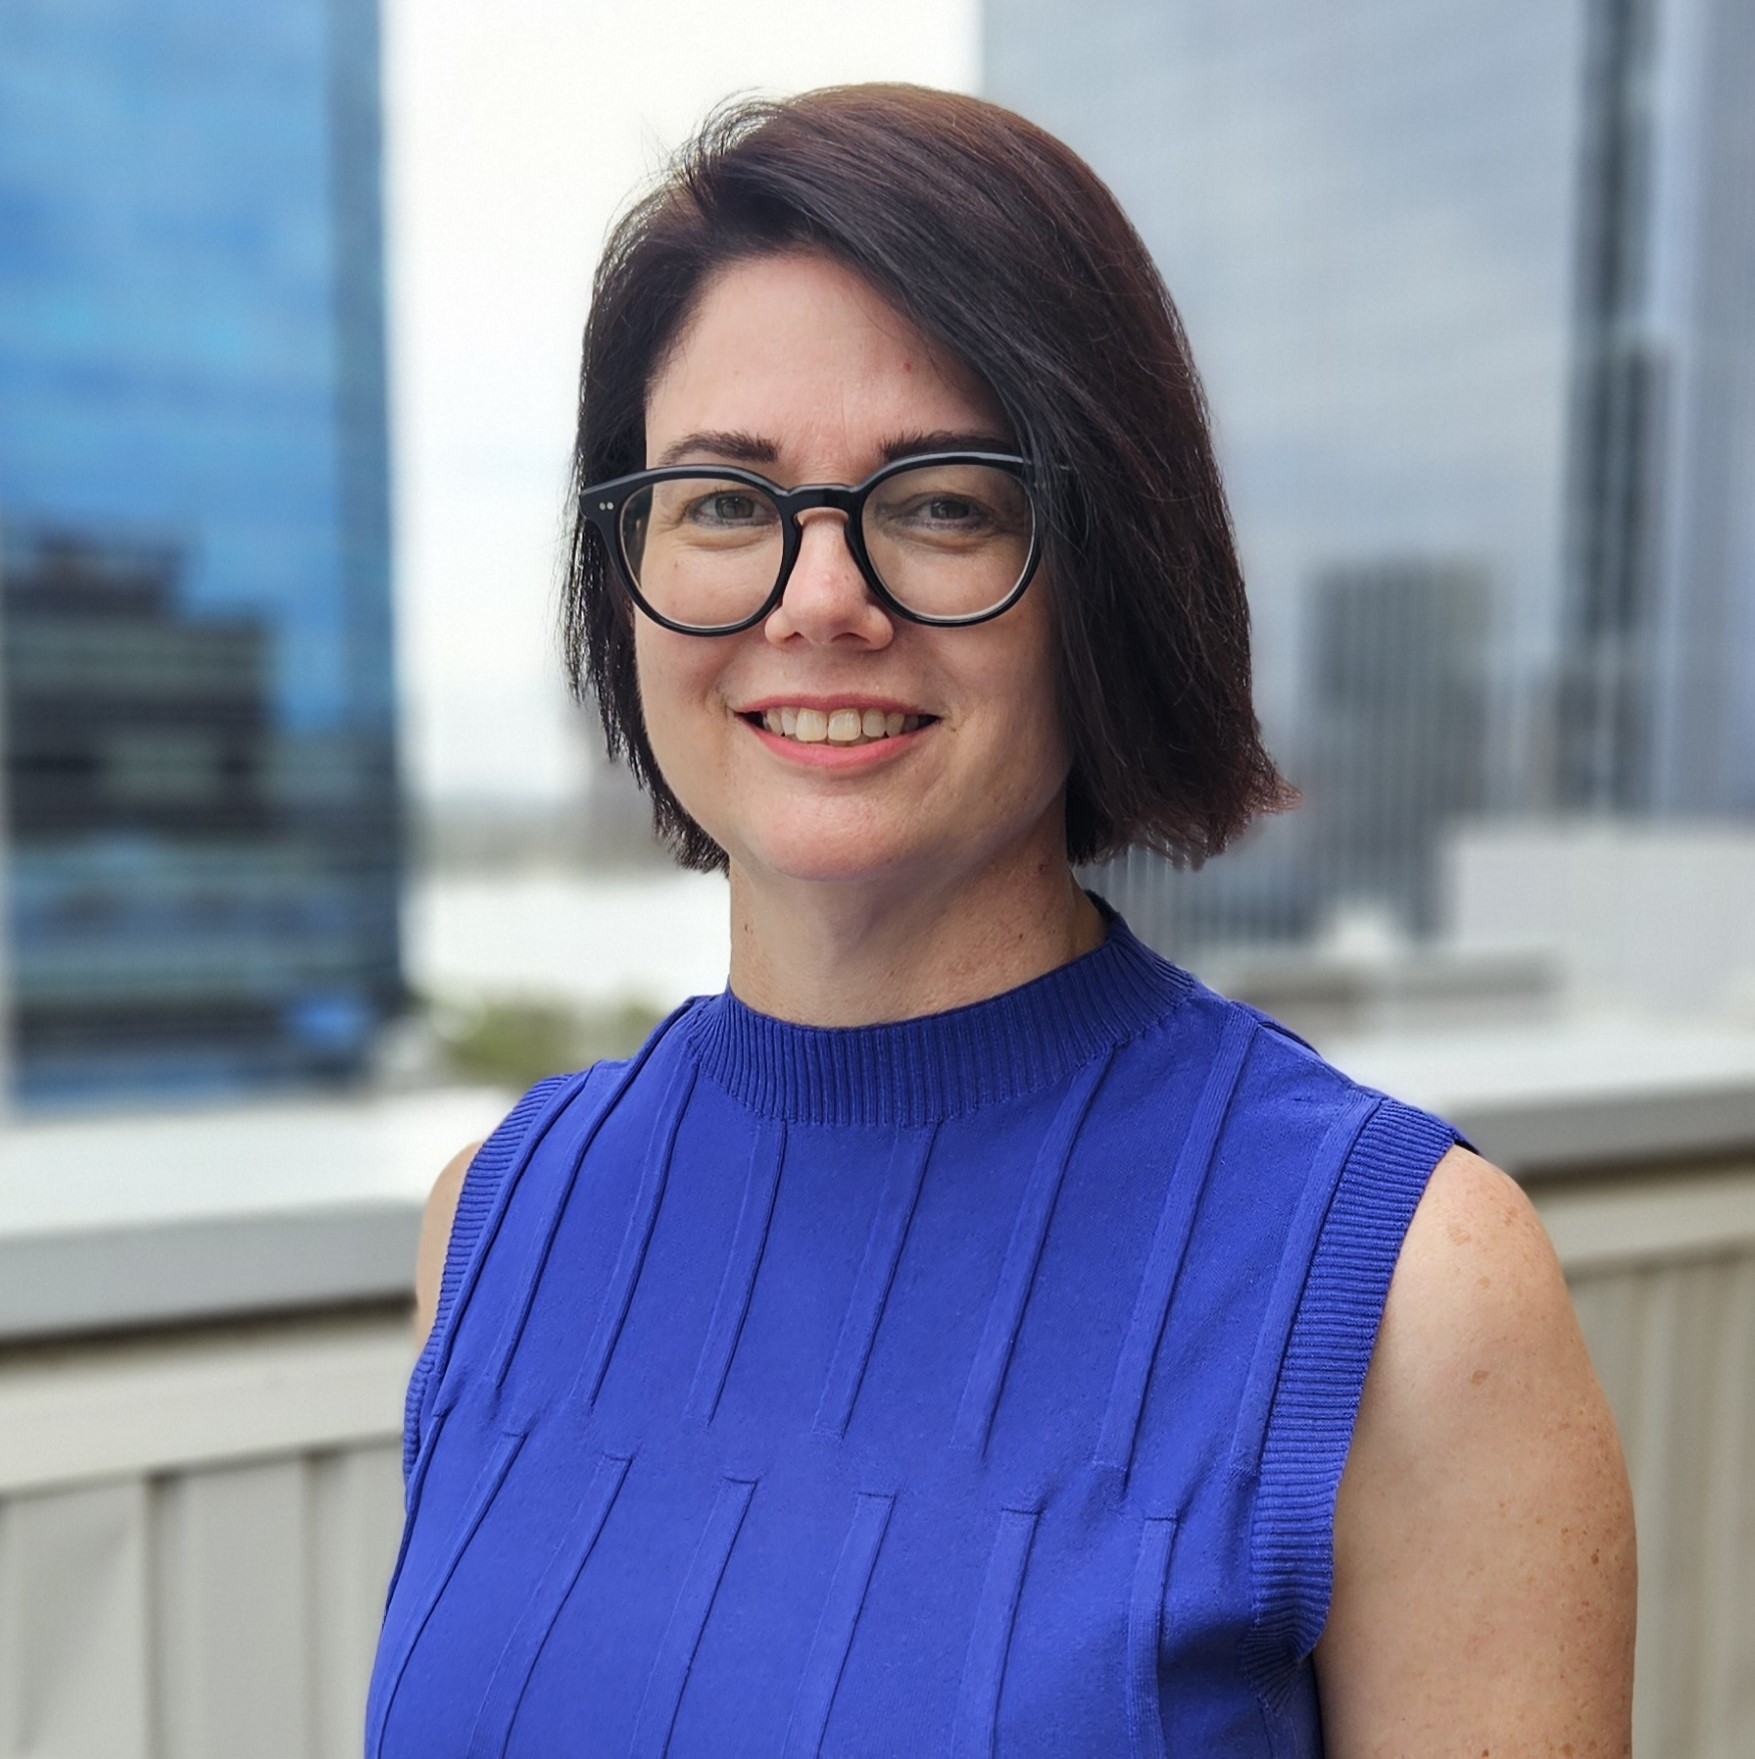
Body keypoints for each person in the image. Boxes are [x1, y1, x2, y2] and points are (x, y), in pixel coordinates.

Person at [367, 86, 1635, 1758]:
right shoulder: (496, 1232)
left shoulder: (1413, 1291)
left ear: (1102, 570)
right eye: (726, 503)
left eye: (944, 502)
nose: (821, 601)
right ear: (626, 568)